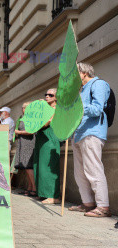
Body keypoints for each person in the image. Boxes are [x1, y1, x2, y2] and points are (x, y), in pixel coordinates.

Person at [69, 62, 111, 217]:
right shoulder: (82, 90)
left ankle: (103, 207)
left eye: (75, 74)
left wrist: (78, 108)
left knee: (93, 170)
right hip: (79, 134)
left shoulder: (98, 84)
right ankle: (88, 204)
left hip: (92, 132)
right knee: (79, 173)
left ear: (83, 72)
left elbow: (97, 108)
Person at [33, 89, 61, 204]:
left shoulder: (55, 109)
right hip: (41, 138)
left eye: (51, 95)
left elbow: (45, 123)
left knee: (48, 167)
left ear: (56, 97)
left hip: (50, 139)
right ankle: (42, 193)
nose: (47, 97)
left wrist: (42, 108)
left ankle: (53, 196)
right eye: (46, 94)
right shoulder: (46, 108)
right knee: (38, 165)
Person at [14, 102, 36, 197]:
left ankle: (34, 188)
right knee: (25, 166)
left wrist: (18, 131)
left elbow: (31, 131)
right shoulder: (22, 118)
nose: (23, 109)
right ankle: (29, 187)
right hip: (22, 143)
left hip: (29, 143)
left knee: (28, 166)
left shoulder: (31, 118)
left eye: (25, 108)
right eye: (23, 107)